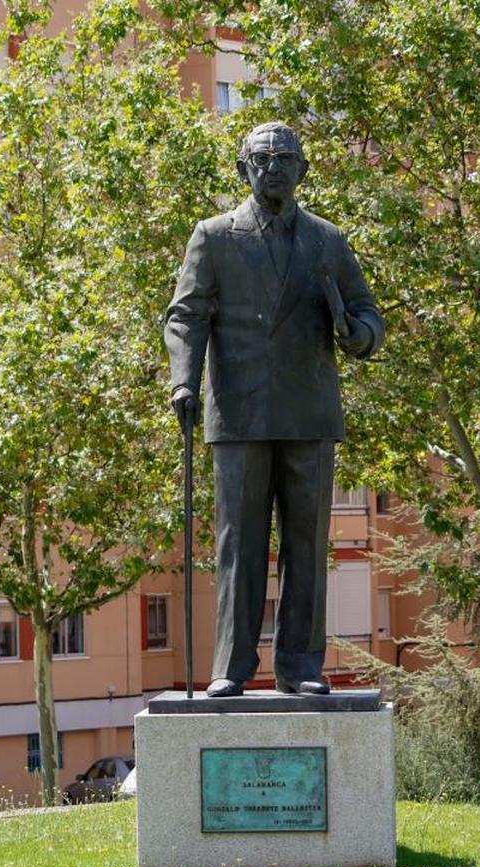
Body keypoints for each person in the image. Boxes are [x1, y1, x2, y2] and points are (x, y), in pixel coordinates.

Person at [164, 121, 385, 697]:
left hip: (308, 412)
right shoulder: (213, 237)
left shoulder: (326, 241)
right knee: (238, 545)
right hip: (238, 416)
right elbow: (186, 315)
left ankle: (301, 666)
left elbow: (368, 315)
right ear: (243, 169)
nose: (274, 167)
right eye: (262, 159)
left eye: (286, 158)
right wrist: (183, 381)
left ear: (302, 170)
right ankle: (231, 669)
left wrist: (356, 334)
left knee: (307, 545)